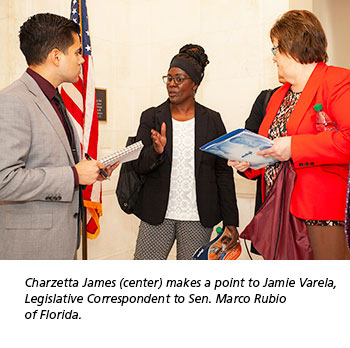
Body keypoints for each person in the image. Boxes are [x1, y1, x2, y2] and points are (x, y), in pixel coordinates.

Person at [229, 10, 350, 260]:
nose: (273, 58)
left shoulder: (337, 81)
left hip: (321, 211)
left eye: (275, 49)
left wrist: (294, 147)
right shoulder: (278, 96)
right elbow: (270, 147)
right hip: (279, 210)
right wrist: (248, 163)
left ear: (293, 46)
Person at [0, 13, 118, 260]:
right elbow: (4, 180)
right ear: (56, 56)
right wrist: (74, 175)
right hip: (31, 250)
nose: (82, 60)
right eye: (77, 52)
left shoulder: (54, 97)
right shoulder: (13, 100)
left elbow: (57, 161)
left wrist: (90, 171)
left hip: (62, 244)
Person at [132, 44, 239, 260]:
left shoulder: (212, 121)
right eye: (169, 78)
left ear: (195, 85)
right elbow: (138, 165)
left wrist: (231, 221)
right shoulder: (152, 117)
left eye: (179, 79)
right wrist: (156, 151)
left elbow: (223, 173)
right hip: (157, 215)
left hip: (198, 217)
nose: (171, 84)